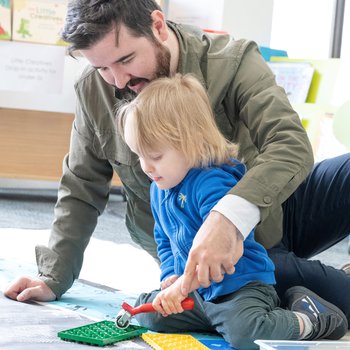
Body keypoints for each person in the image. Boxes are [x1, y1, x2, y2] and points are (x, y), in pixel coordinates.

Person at [4, 0, 350, 324]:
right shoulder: (95, 90)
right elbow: (81, 187)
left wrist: (227, 217)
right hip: (213, 260)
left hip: (271, 211)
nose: (119, 80)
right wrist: (53, 276)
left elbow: (289, 142)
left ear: (157, 25)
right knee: (273, 288)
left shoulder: (232, 61)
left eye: (125, 60)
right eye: (101, 67)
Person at [117, 73, 347, 349]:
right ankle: (216, 318)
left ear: (191, 143)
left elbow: (218, 257)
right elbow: (163, 239)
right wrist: (170, 277)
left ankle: (310, 318)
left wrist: (183, 286)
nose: (146, 167)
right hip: (199, 294)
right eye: (139, 155)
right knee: (150, 315)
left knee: (246, 334)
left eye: (155, 157)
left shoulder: (213, 183)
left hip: (238, 287)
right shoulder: (159, 187)